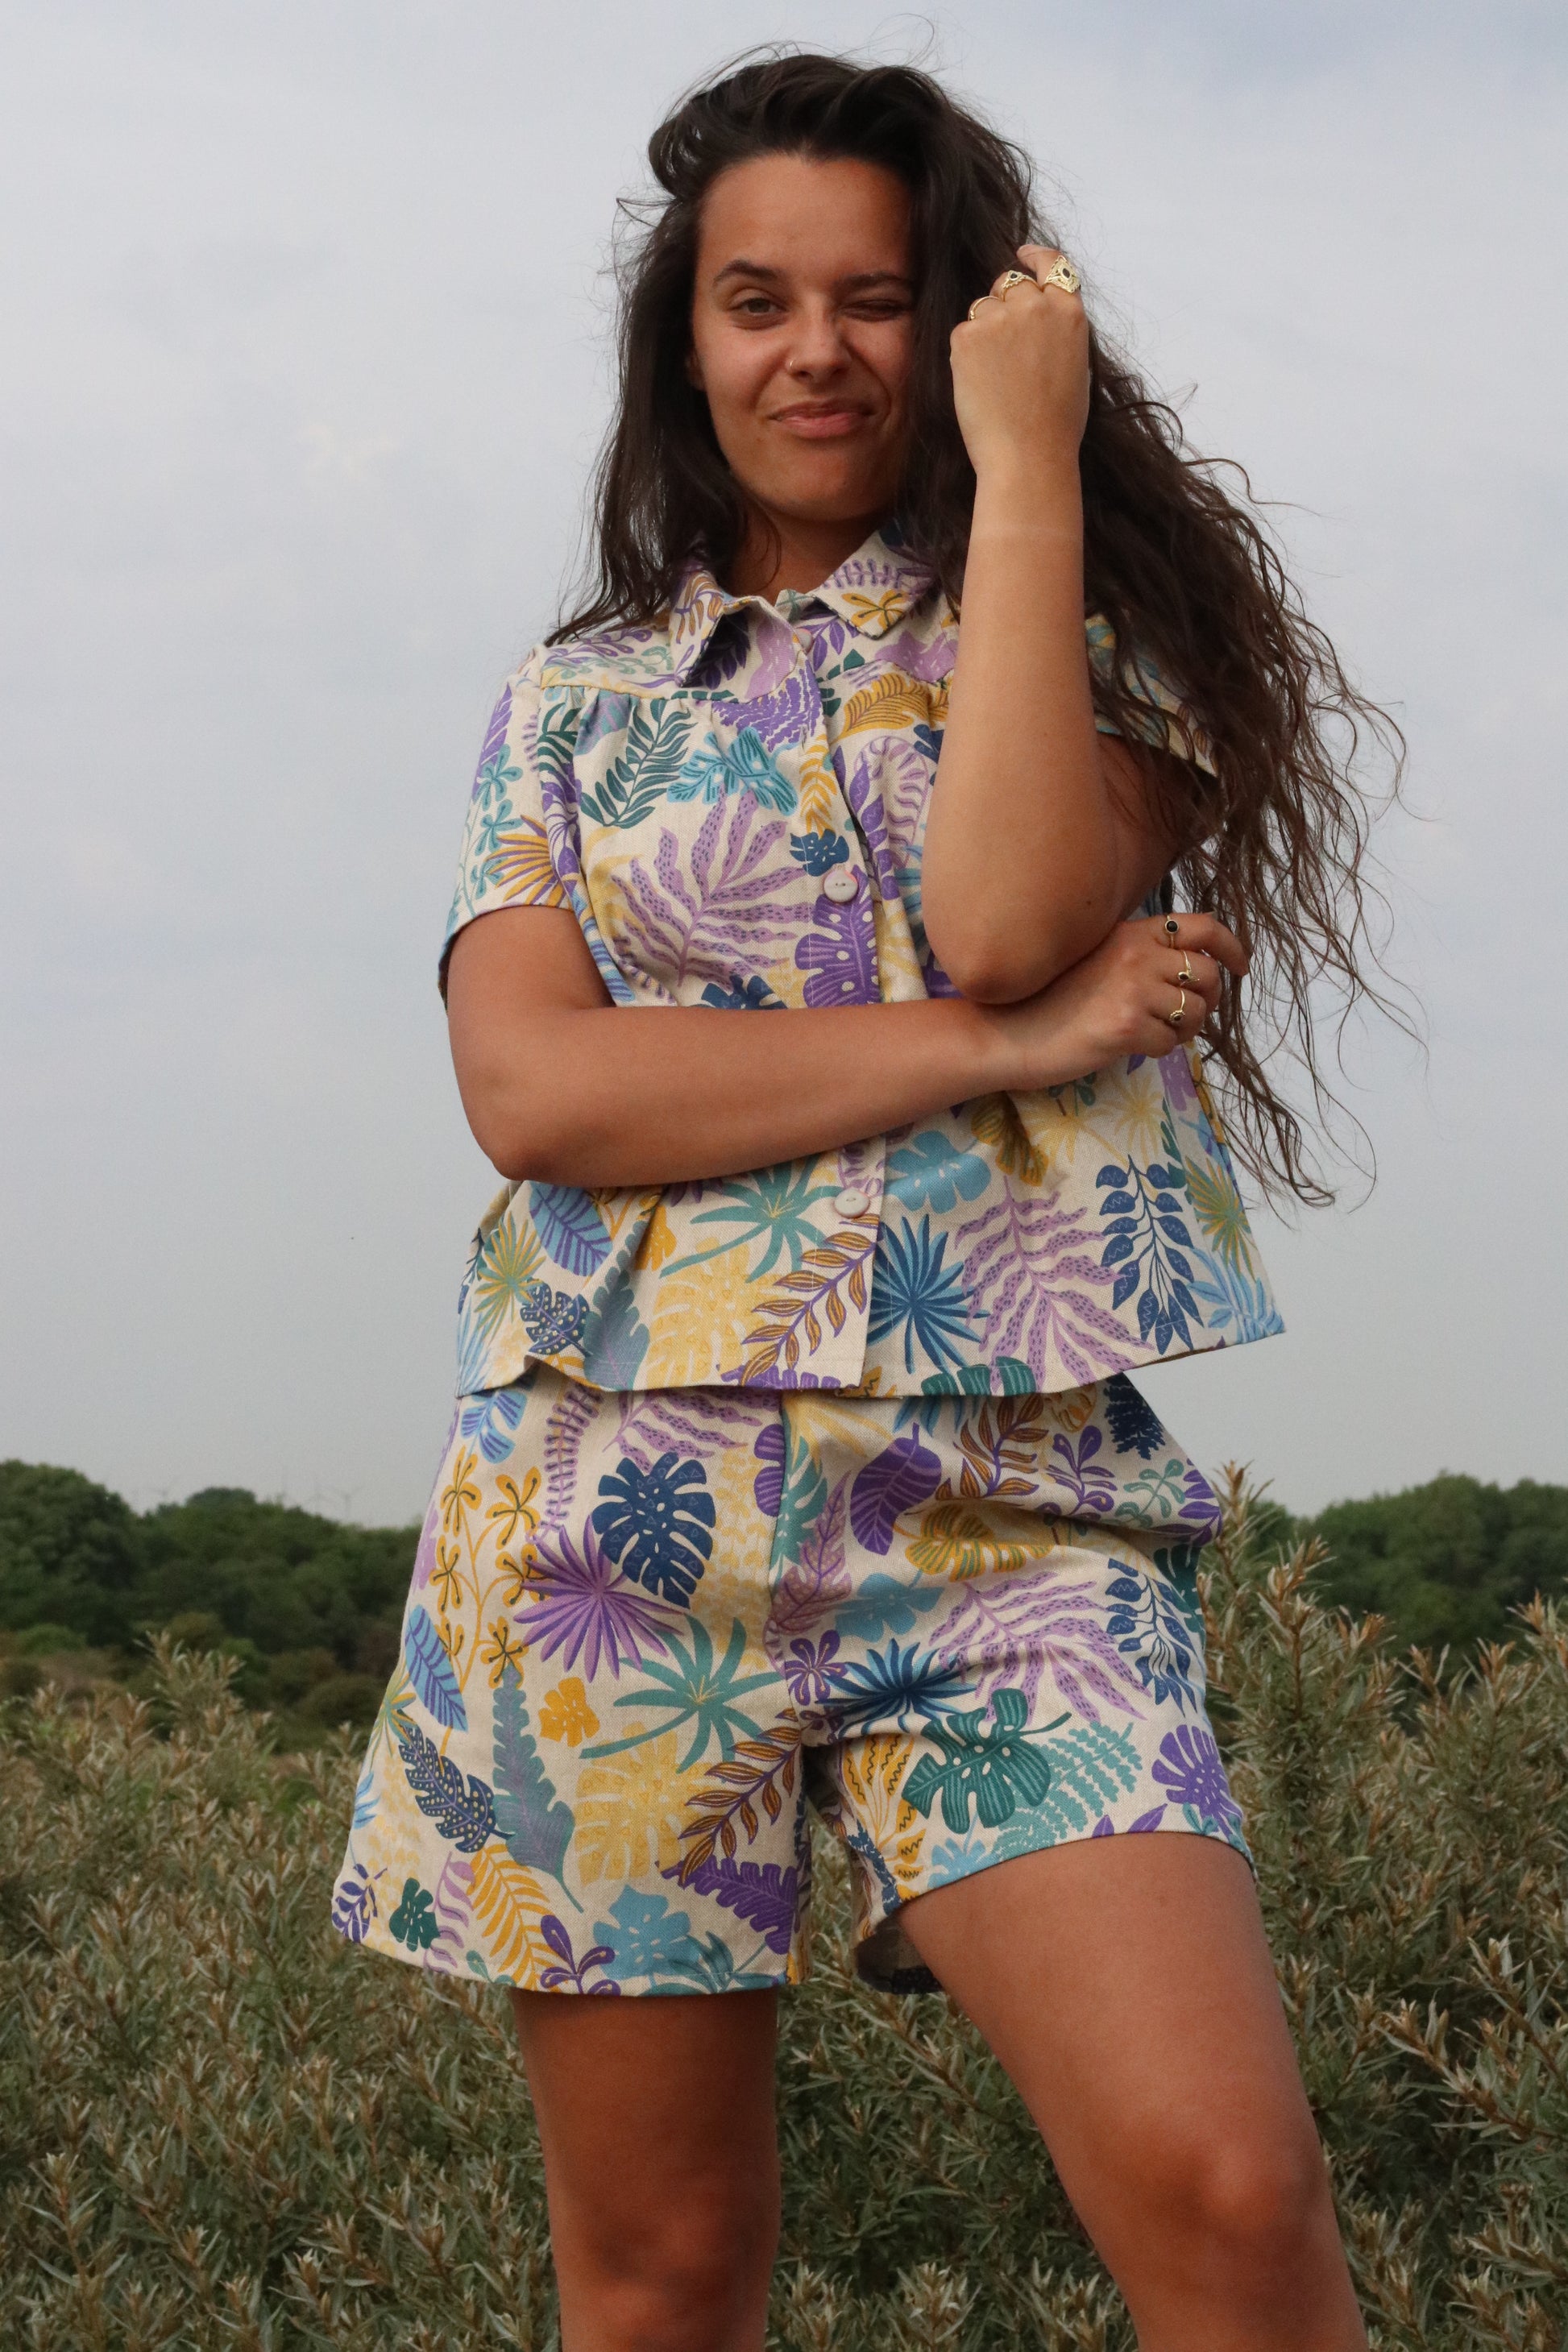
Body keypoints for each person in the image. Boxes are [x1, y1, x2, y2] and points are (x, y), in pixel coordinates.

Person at [333, 51, 1396, 2352]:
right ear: (683, 344)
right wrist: (996, 1053)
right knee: (663, 2280)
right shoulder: (572, 705)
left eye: (876, 298)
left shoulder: (1103, 639)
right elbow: (536, 1090)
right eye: (755, 301)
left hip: (1004, 1518)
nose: (812, 350)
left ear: (961, 325)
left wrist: (1031, 468)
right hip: (601, 1520)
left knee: (1229, 2196)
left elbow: (1004, 910)